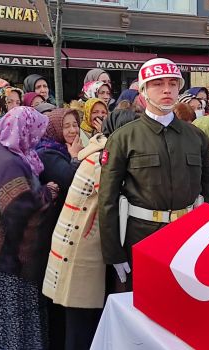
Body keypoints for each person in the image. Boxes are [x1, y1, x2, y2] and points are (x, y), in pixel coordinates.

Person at [99, 58, 209, 291]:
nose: (167, 89)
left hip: (188, 239)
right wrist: (114, 252)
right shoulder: (124, 138)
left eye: (173, 83)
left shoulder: (196, 137)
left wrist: (207, 241)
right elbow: (107, 199)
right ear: (143, 91)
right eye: (158, 83)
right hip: (142, 239)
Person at [41, 108, 136, 350]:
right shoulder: (102, 159)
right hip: (80, 250)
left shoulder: (97, 150)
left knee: (83, 322)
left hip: (82, 246)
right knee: (81, 325)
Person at [0, 107, 54, 350]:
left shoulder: (0, 151)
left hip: (0, 259)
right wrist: (48, 193)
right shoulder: (11, 163)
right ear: (24, 131)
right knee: (14, 320)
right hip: (10, 261)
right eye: (35, 131)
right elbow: (19, 209)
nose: (38, 138)